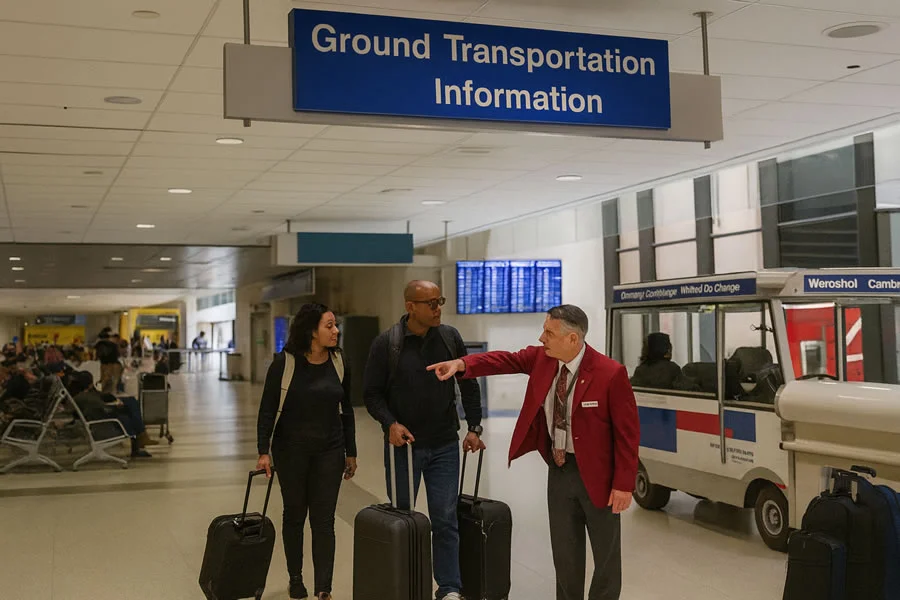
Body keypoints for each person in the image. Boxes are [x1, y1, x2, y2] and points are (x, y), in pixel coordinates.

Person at [428, 304, 640, 600]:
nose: (542, 338)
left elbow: (627, 435)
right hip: (560, 470)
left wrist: (623, 485)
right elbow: (504, 360)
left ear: (572, 339)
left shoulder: (610, 373)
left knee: (606, 556)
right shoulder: (542, 359)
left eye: (549, 333)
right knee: (565, 554)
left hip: (601, 477)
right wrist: (462, 364)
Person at [363, 280, 483, 600]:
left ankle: (449, 588)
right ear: (410, 307)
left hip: (444, 444)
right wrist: (390, 423)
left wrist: (474, 426)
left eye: (439, 301)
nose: (437, 308)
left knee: (445, 519)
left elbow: (468, 381)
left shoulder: (449, 337)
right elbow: (371, 394)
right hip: (404, 447)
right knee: (403, 519)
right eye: (430, 303)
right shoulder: (387, 344)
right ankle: (404, 585)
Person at [256, 303, 357, 600]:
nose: (336, 331)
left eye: (336, 325)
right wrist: (263, 451)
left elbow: (346, 409)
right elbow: (267, 409)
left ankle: (324, 587)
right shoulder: (285, 363)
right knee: (295, 515)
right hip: (291, 451)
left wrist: (351, 451)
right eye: (329, 325)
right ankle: (295, 577)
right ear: (312, 331)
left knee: (324, 520)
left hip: (330, 449)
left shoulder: (339, 361)